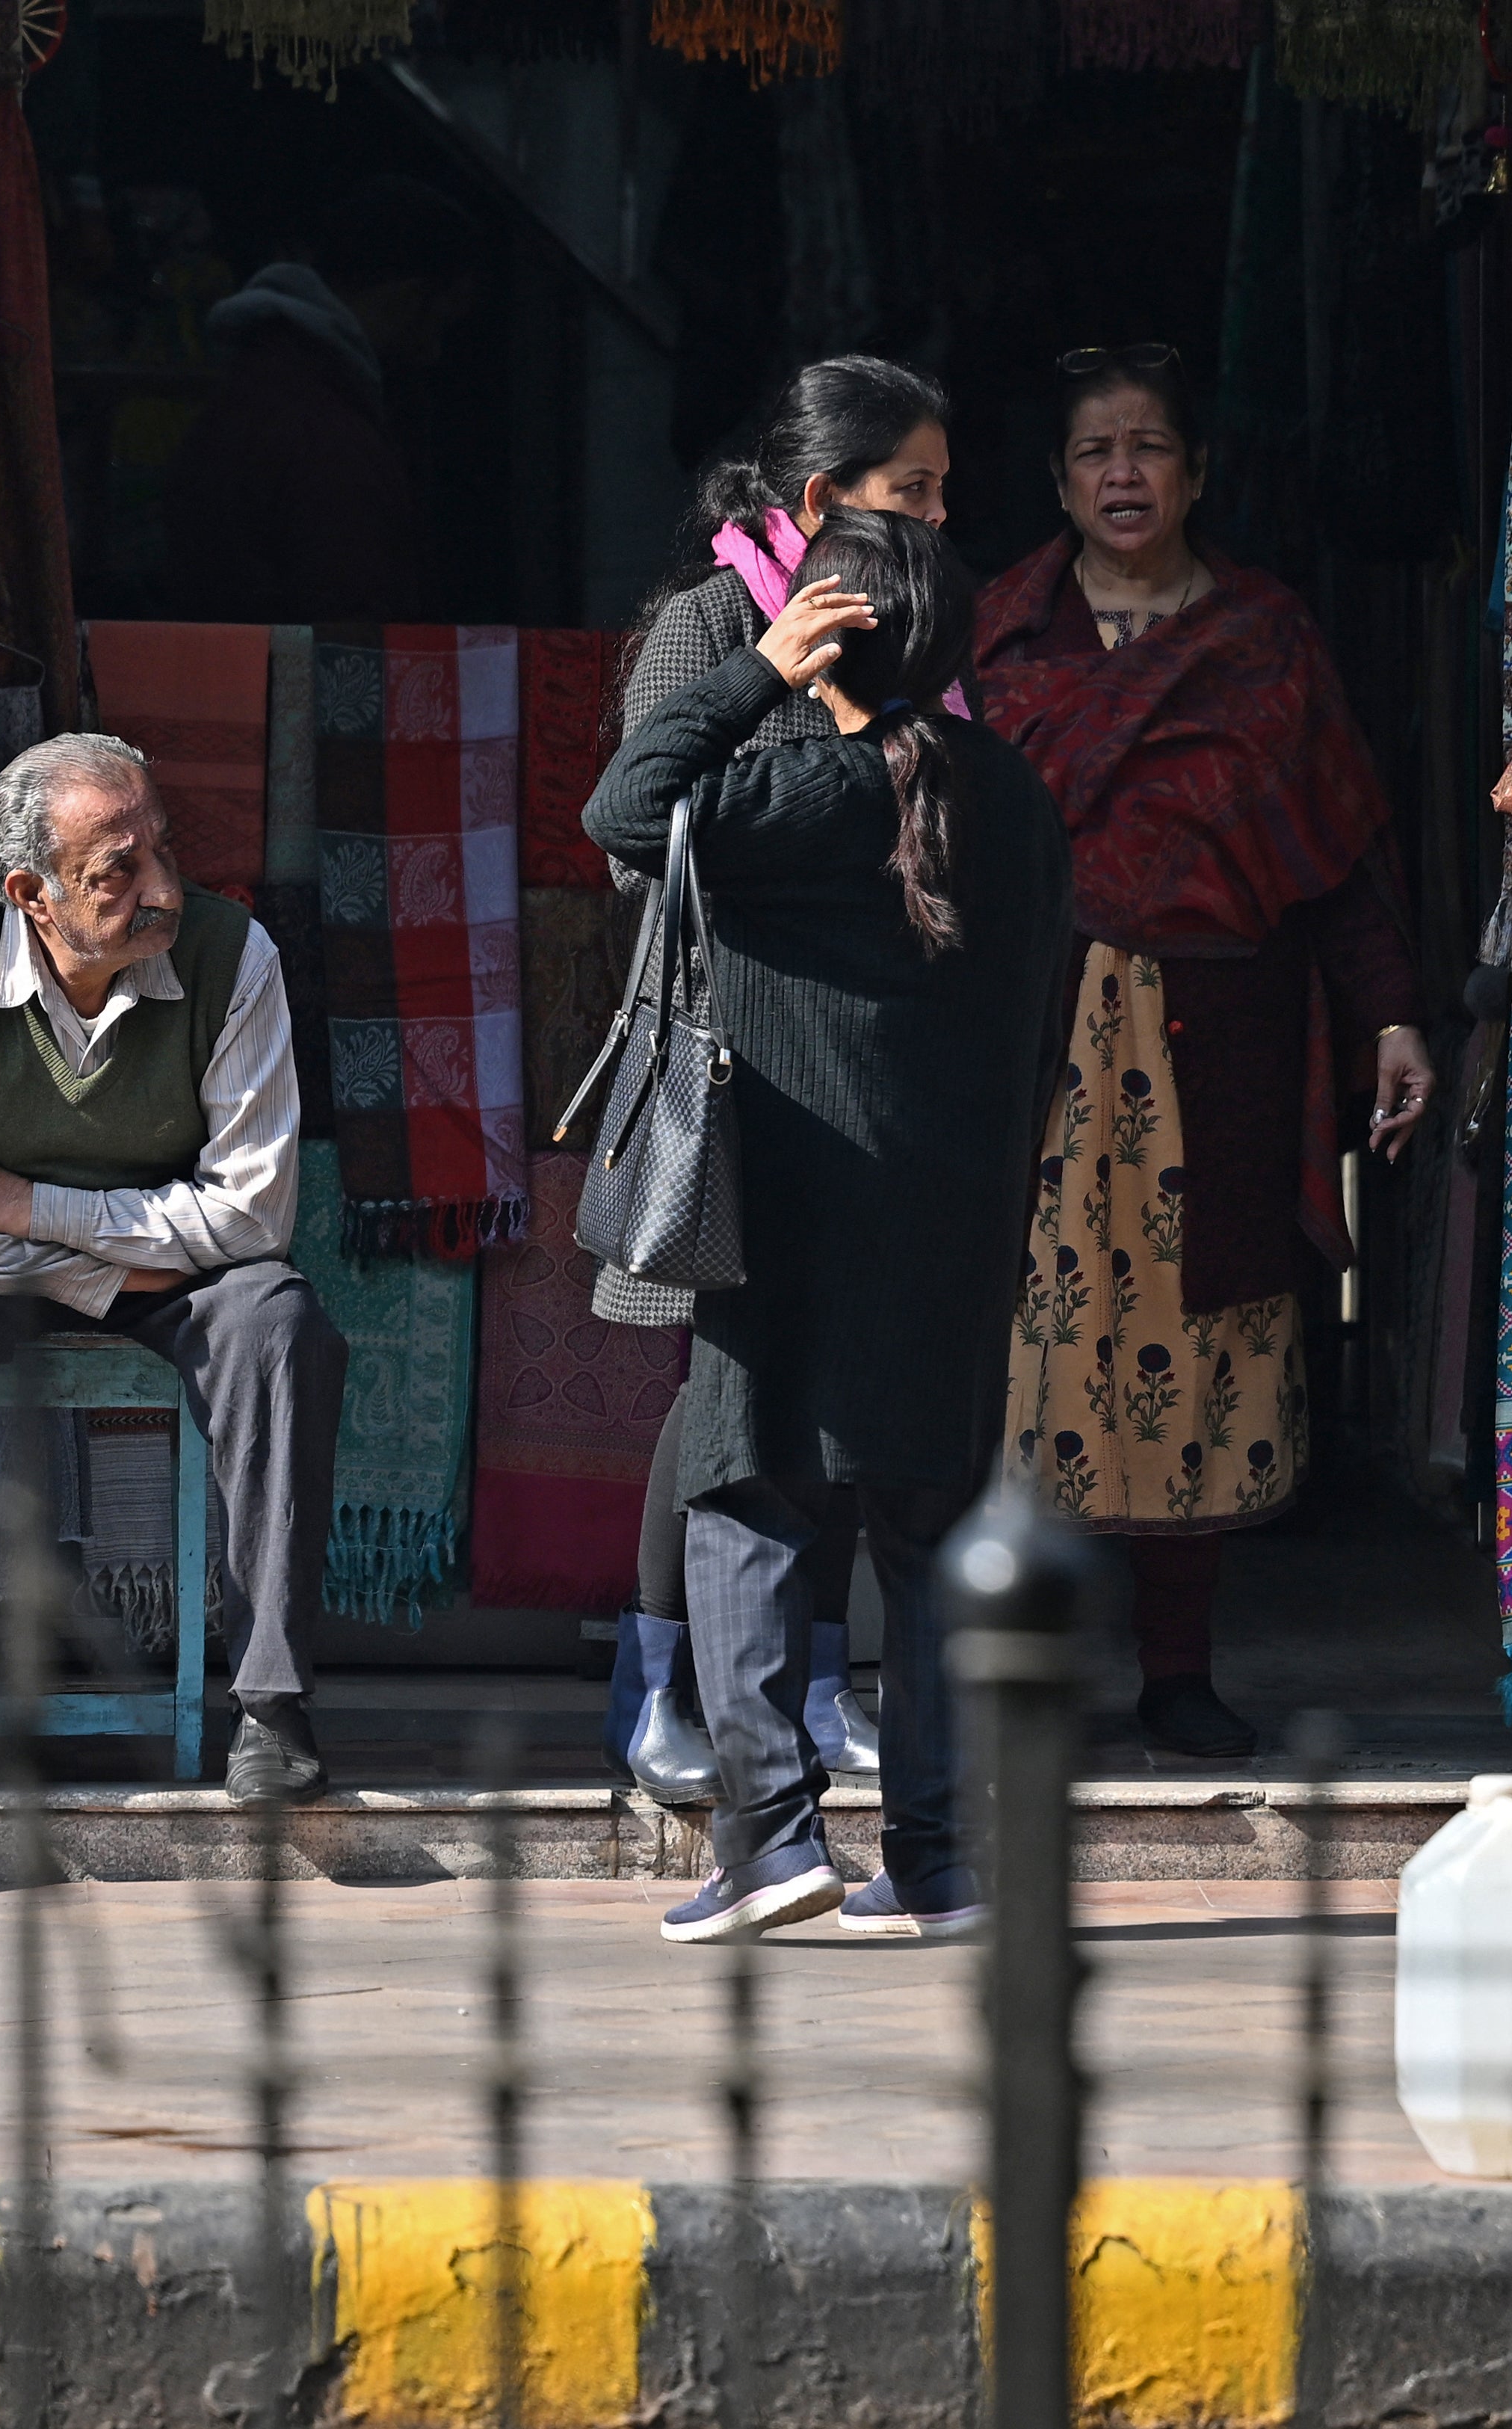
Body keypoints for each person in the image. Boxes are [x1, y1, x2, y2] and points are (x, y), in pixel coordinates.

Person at [582, 508, 1074, 1941]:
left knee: (746, 1502)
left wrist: (752, 676)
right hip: (959, 1215)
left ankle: (768, 1837)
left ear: (823, 634)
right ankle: (930, 1859)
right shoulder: (1013, 792)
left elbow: (623, 808)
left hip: (792, 1208)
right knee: (927, 1526)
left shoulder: (801, 787)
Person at [976, 347, 1431, 1761]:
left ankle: (1177, 1670)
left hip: (1219, 1040)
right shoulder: (998, 640)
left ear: (1195, 474)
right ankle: (1022, 1668)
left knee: (1203, 1343)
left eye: (1149, 448)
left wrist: (1393, 1014)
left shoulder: (1266, 641)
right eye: (1095, 450)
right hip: (1036, 1040)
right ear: (1056, 483)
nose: (1123, 473)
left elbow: (1341, 852)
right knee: (1031, 1357)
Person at [0, 733, 349, 1826]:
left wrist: (33, 1208)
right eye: (119, 870)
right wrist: (107, 1270)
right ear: (30, 894)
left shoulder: (233, 957)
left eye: (163, 848)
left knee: (279, 1324)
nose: (161, 888)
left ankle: (274, 1705)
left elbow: (253, 1215)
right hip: (35, 1269)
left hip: (167, 1271)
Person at [597, 355, 958, 1799]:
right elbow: (633, 830)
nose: (939, 514)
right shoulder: (707, 623)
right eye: (912, 490)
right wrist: (769, 679)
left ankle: (810, 1687)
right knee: (723, 1395)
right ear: (824, 501)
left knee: (820, 1390)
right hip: (724, 1057)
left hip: (851, 1061)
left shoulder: (908, 632)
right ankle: (652, 1695)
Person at [159, 174, 484, 624]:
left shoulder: (259, 389)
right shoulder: (328, 436)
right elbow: (350, 641)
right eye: (438, 324)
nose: (434, 353)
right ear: (408, 297)